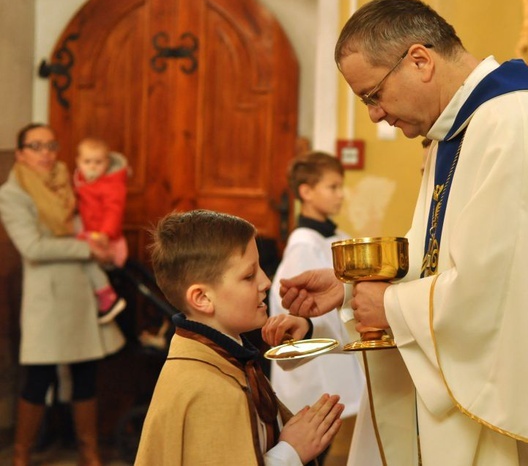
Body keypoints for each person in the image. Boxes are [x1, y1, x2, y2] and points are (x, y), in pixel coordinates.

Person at [274, 0, 528, 465]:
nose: (374, 114)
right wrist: (351, 288)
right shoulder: (459, 130)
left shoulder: (513, 125)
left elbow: (503, 291)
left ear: (419, 60)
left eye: (372, 95)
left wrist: (390, 305)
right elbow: (441, 254)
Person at [135, 209, 345, 466]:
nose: (266, 282)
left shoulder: (225, 360)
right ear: (202, 298)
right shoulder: (209, 389)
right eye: (249, 275)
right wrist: (292, 451)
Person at [0, 123, 126, 466]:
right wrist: (87, 250)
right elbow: (33, 247)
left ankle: (89, 451)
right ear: (21, 152)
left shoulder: (68, 180)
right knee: (39, 377)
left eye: (50, 145)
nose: (45, 152)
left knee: (86, 372)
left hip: (82, 291)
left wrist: (102, 240)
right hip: (48, 297)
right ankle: (21, 454)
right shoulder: (12, 194)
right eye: (36, 146)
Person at [268, 152, 367, 465]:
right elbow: (302, 310)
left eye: (341, 187)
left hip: (340, 363)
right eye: (332, 187)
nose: (340, 195)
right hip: (315, 374)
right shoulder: (303, 247)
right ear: (306, 192)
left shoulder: (338, 238)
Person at [73, 137, 129, 323]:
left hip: (105, 237)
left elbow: (114, 210)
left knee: (88, 260)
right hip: (88, 231)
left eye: (98, 162)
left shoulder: (112, 184)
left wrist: (106, 233)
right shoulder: (81, 181)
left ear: (107, 162)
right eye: (87, 162)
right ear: (78, 162)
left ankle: (107, 295)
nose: (93, 167)